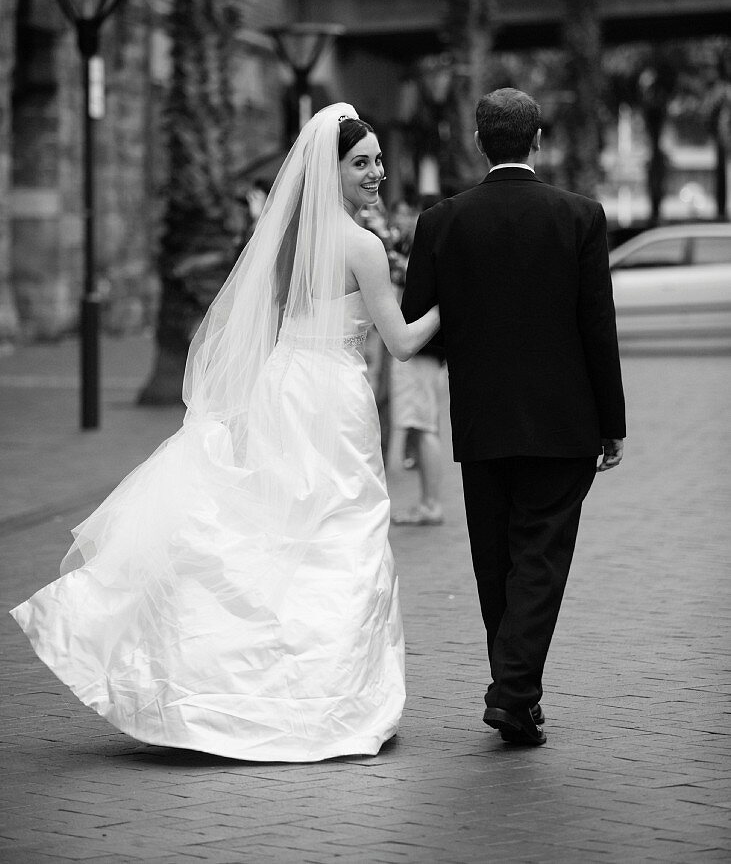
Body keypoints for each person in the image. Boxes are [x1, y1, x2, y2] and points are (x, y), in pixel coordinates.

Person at [11, 103, 439, 763]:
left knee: (276, 535)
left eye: (379, 161)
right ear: (328, 170)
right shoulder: (361, 246)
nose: (376, 172)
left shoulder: (287, 235)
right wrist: (456, 300)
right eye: (361, 162)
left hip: (283, 388)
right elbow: (404, 343)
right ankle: (329, 699)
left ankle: (236, 684)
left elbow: (258, 328)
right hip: (332, 396)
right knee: (340, 535)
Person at [401, 88, 625, 747]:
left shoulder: (442, 222)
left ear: (477, 142)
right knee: (540, 559)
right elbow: (595, 328)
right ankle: (511, 694)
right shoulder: (579, 217)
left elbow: (423, 324)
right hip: (563, 423)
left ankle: (517, 701)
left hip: (482, 420)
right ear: (538, 139)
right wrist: (610, 422)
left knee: (495, 562)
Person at [387, 199, 446, 526]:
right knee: (422, 424)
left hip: (421, 349)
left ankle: (431, 503)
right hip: (423, 349)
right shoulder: (410, 245)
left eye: (408, 213)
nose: (403, 219)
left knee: (423, 424)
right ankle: (428, 501)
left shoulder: (424, 250)